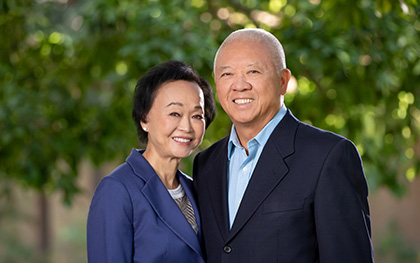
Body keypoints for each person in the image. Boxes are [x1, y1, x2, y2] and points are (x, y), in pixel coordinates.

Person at [193, 28, 374, 262]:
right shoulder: (206, 164)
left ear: (283, 81)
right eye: (227, 74)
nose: (239, 85)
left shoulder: (328, 157)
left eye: (253, 71)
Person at [87, 60, 216, 263]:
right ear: (144, 119)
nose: (187, 127)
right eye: (175, 113)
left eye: (197, 115)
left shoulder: (196, 189)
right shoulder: (117, 190)